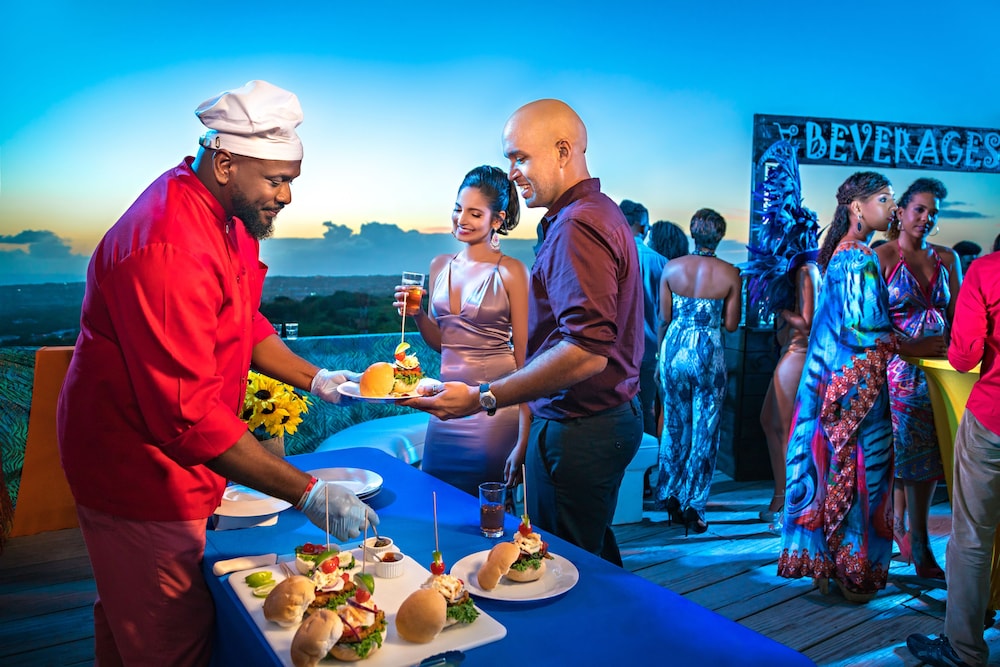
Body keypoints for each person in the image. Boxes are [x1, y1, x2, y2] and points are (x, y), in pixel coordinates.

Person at [56, 81, 377, 666]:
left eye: (291, 180)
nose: (286, 196)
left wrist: (315, 378)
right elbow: (188, 417)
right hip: (139, 469)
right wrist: (307, 492)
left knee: (128, 616)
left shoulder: (228, 217)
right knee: (169, 635)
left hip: (179, 460)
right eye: (275, 180)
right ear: (225, 163)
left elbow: (243, 320)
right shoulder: (169, 247)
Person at [407, 99, 644, 566]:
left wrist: (484, 397)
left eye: (520, 157)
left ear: (563, 151)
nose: (512, 172)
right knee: (592, 556)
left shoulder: (577, 225)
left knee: (564, 567)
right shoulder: (596, 212)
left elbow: (585, 350)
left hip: (580, 427)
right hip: (592, 420)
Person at [776, 171, 941, 603]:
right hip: (857, 387)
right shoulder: (859, 257)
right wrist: (915, 345)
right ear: (856, 208)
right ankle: (853, 572)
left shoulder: (842, 253)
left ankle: (831, 568)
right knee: (863, 474)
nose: (892, 208)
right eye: (884, 200)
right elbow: (862, 330)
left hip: (837, 382)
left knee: (836, 469)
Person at [397, 165, 530, 496]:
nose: (461, 219)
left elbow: (526, 362)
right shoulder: (440, 265)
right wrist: (416, 315)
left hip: (493, 412)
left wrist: (524, 439)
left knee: (484, 508)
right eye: (458, 209)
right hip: (445, 411)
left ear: (497, 220)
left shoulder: (512, 272)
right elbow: (444, 344)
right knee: (436, 501)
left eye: (474, 213)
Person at [906, 246, 1000, 667]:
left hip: (993, 420)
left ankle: (964, 649)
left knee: (973, 538)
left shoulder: (987, 271)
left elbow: (964, 358)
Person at [875, 177, 957, 580]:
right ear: (901, 211)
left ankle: (918, 540)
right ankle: (896, 539)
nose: (926, 218)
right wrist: (910, 347)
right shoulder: (882, 256)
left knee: (929, 460)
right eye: (920, 209)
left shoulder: (948, 259)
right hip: (896, 374)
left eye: (933, 213)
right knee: (897, 458)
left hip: (939, 375)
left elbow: (958, 318)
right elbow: (868, 326)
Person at [653, 208, 741, 534]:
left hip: (674, 349)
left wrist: (660, 360)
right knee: (706, 429)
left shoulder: (671, 268)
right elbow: (731, 325)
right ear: (720, 236)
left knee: (674, 424)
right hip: (708, 353)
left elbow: (664, 317)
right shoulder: (731, 273)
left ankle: (669, 493)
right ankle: (695, 505)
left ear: (693, 233)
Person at [621, 199, 668, 437]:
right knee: (647, 411)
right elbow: (665, 315)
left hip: (617, 352)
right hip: (649, 352)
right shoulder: (661, 263)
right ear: (641, 225)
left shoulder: (610, 256)